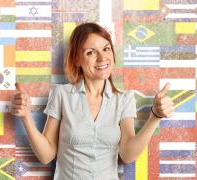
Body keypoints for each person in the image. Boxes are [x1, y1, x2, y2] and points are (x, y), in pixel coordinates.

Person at [12, 22, 174, 180]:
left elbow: (127, 154)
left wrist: (155, 117)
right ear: (76, 59)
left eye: (106, 49)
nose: (102, 57)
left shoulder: (124, 99)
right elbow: (46, 155)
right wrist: (26, 117)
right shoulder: (61, 94)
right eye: (91, 52)